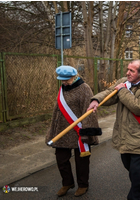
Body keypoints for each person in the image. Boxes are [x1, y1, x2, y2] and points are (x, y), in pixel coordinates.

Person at [87, 60, 140, 200]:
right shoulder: (124, 81)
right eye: (127, 69)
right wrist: (96, 100)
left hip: (139, 135)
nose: (127, 73)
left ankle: (135, 196)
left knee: (135, 173)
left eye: (132, 71)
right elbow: (109, 94)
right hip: (123, 134)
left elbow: (139, 107)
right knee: (129, 166)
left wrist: (123, 90)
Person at [46, 65, 101, 197]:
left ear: (74, 77)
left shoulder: (84, 89)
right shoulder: (62, 89)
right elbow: (57, 110)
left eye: (66, 79)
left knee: (81, 161)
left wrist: (87, 132)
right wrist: (52, 131)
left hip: (79, 131)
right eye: (62, 80)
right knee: (61, 159)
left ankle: (83, 185)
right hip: (63, 131)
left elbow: (88, 112)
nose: (64, 82)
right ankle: (67, 183)